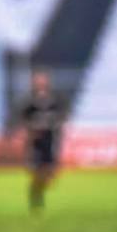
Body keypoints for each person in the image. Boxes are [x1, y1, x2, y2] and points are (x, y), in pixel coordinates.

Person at [13, 69, 71, 213]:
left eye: (42, 80)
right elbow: (22, 118)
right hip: (35, 142)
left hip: (51, 140)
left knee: (50, 174)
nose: (40, 83)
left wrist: (56, 124)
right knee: (36, 172)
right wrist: (31, 128)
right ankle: (36, 200)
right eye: (37, 80)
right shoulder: (29, 101)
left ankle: (39, 188)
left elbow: (63, 115)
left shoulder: (55, 99)